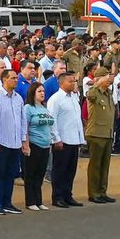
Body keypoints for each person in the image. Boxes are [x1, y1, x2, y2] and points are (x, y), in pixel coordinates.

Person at [0, 69, 28, 217]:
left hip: (15, 143)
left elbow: (23, 120)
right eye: (13, 78)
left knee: (11, 174)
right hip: (1, 142)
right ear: (4, 80)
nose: (16, 80)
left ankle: (7, 202)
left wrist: (23, 140)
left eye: (16, 78)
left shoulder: (18, 99)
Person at [47, 71, 85, 208]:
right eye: (71, 81)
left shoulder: (73, 97)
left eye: (74, 81)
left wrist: (81, 137)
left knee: (71, 170)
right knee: (59, 170)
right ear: (61, 82)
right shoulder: (55, 99)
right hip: (62, 140)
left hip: (74, 139)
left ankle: (67, 195)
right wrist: (56, 139)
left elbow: (76, 119)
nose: (74, 83)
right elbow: (52, 120)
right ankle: (57, 196)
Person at [85, 68, 116, 204]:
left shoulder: (108, 93)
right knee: (95, 165)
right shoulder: (94, 92)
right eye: (107, 76)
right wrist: (98, 82)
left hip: (107, 133)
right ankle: (94, 193)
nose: (109, 79)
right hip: (96, 133)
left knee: (105, 165)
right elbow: (89, 94)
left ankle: (102, 191)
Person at [22, 82, 53, 210]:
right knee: (31, 174)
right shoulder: (28, 108)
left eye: (43, 91)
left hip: (46, 145)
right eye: (39, 91)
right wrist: (26, 144)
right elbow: (25, 127)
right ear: (33, 93)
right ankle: (30, 201)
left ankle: (39, 200)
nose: (42, 93)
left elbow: (49, 126)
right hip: (34, 144)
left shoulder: (44, 108)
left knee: (40, 173)